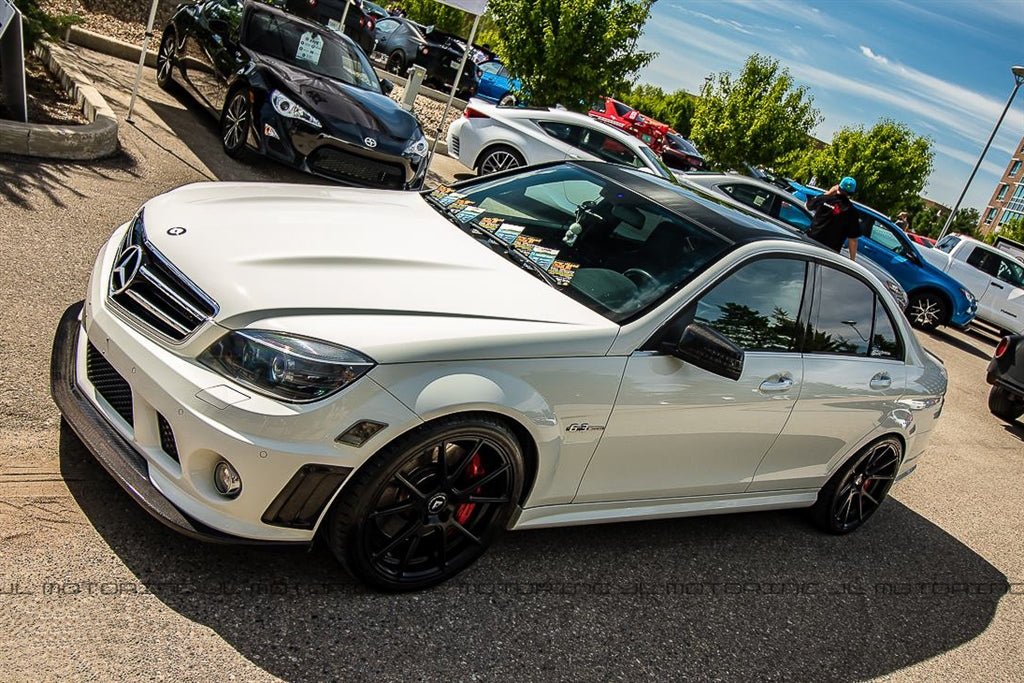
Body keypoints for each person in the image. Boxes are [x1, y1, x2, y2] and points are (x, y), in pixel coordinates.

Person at [806, 176, 860, 261]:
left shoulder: (825, 199)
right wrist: (852, 260)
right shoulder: (852, 211)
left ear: (838, 187)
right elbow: (853, 239)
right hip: (830, 253)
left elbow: (808, 206)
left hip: (810, 242)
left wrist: (828, 193)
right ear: (852, 193)